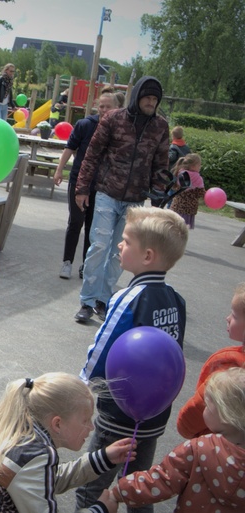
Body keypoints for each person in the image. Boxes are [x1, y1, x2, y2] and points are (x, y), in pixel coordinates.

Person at [76, 206, 189, 513]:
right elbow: (174, 357)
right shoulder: (176, 300)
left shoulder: (128, 297)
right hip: (153, 414)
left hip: (118, 412)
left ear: (148, 256)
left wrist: (82, 385)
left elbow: (103, 346)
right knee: (137, 487)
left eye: (125, 241)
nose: (119, 245)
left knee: (91, 485)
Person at [0, 372, 136, 513]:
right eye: (85, 420)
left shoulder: (16, 432)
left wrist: (102, 459)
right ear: (58, 423)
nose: (91, 428)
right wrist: (100, 509)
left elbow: (45, 483)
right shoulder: (37, 454)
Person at [73, 76, 170, 323]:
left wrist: (159, 194)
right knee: (99, 246)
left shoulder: (160, 126)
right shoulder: (113, 119)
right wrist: (82, 188)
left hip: (136, 199)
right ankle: (86, 301)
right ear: (137, 96)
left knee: (121, 253)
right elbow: (92, 155)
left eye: (155, 99)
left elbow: (161, 163)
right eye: (147, 97)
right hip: (106, 192)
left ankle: (102, 300)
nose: (151, 102)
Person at [102, 367, 245, 512]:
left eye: (208, 406)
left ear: (226, 415)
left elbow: (161, 480)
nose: (204, 410)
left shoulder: (198, 449)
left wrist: (119, 491)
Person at [53, 88, 122, 280]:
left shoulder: (118, 130)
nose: (103, 110)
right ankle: (67, 262)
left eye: (108, 107)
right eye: (101, 106)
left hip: (101, 185)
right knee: (75, 221)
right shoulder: (85, 125)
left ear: (116, 109)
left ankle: (86, 265)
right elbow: (70, 148)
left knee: (93, 226)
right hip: (79, 181)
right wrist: (59, 170)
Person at [176, 282, 245, 439]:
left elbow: (196, 412)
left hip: (217, 450)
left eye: (234, 315)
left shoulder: (229, 369)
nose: (227, 318)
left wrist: (184, 427)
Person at [168, 153, 205, 228]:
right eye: (199, 165)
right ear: (192, 166)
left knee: (172, 228)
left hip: (176, 206)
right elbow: (200, 193)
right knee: (182, 231)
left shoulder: (180, 172)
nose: (200, 167)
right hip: (188, 209)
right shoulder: (197, 178)